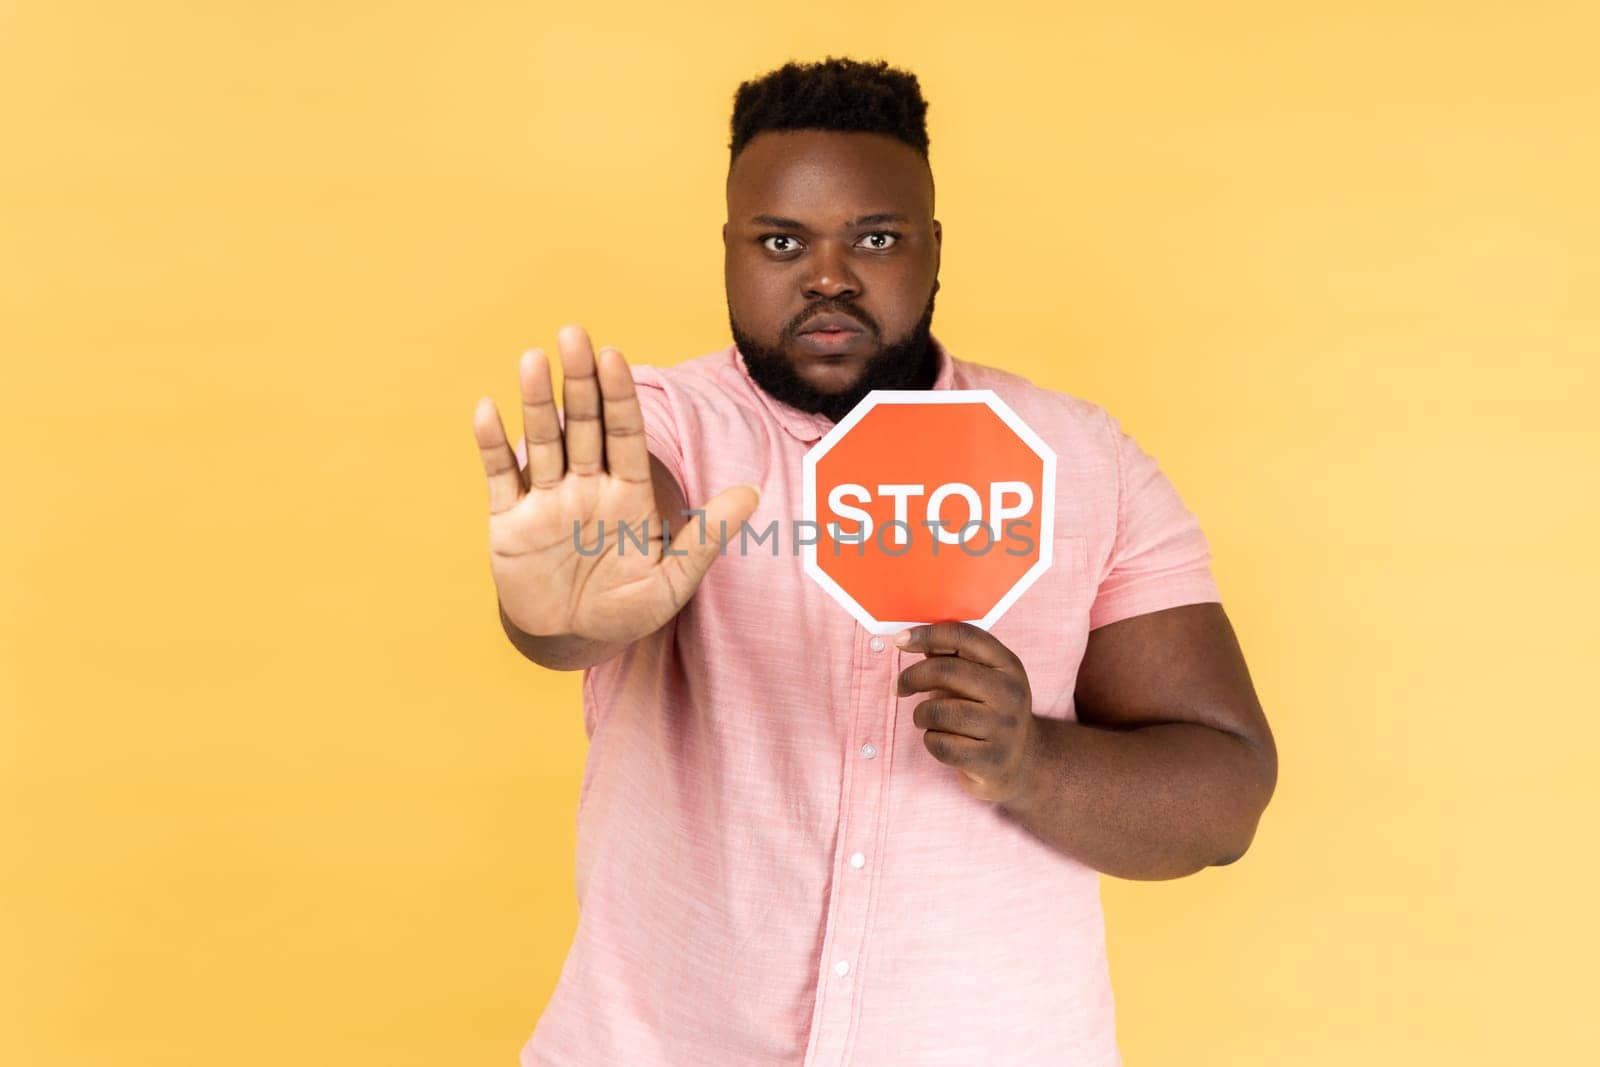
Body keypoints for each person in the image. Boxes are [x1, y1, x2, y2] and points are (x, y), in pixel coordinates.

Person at [471, 57, 1276, 1067]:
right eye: (781, 242)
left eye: (876, 238)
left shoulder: (1083, 463)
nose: (828, 277)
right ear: (728, 252)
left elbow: (1224, 797)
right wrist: (567, 609)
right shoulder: (664, 432)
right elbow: (615, 557)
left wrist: (1030, 757)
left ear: (934, 249)